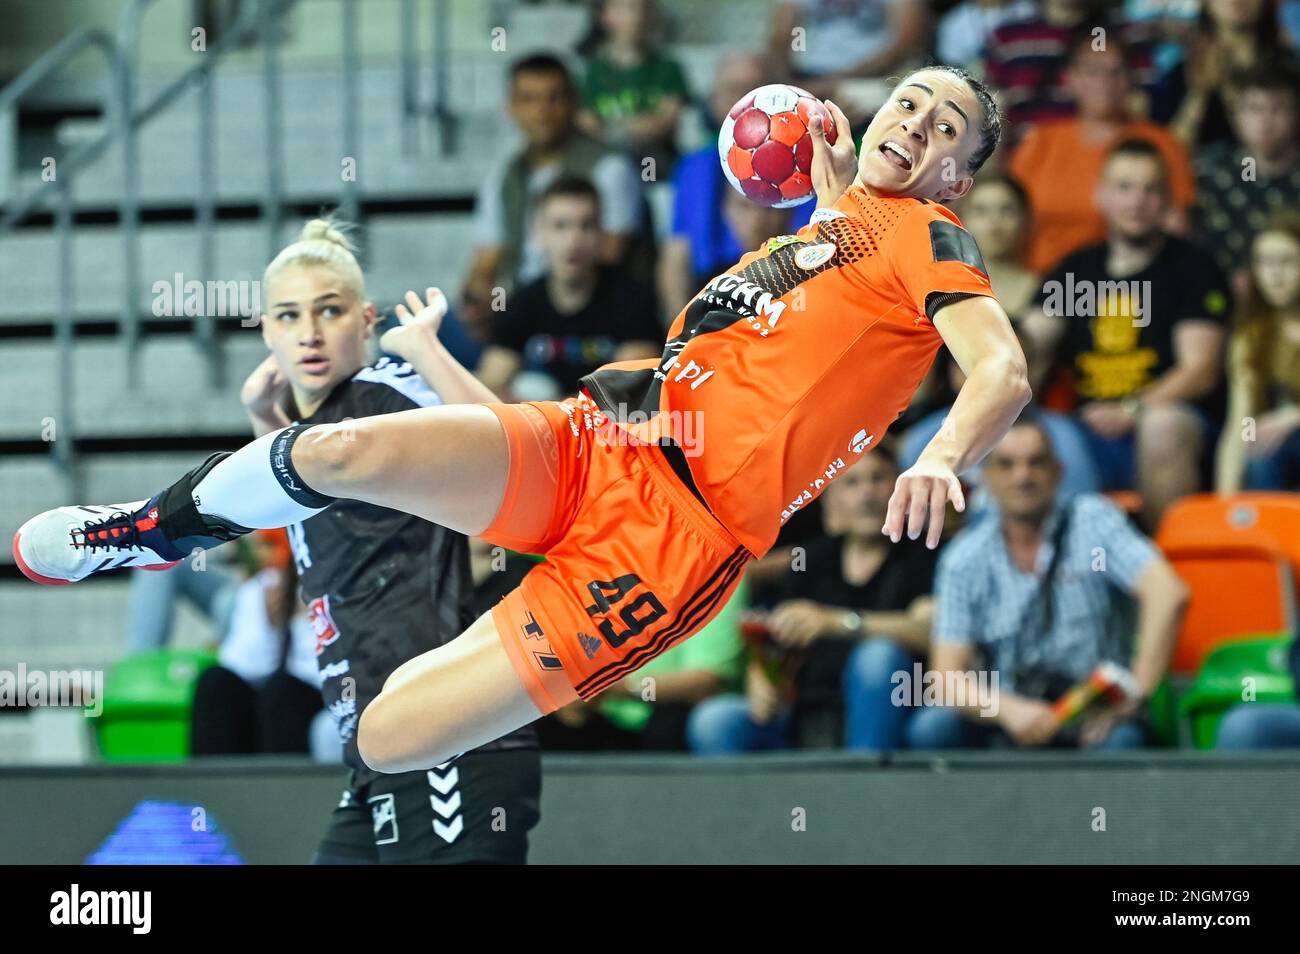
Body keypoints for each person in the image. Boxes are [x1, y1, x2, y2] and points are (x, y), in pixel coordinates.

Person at [15, 65, 1032, 777]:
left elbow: (1001, 369)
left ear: (960, 176)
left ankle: (445, 636)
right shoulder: (845, 220)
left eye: (946, 128)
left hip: (667, 548)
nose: (918, 123)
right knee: (338, 447)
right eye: (911, 101)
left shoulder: (932, 236)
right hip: (611, 435)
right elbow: (827, 282)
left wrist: (943, 454)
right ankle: (144, 533)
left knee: (384, 737)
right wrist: (826, 187)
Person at [210, 220, 544, 862]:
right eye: (288, 316)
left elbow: (517, 446)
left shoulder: (390, 391)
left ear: (365, 319)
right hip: (379, 742)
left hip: (449, 736)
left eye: (329, 311)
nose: (308, 332)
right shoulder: (305, 437)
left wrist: (428, 352)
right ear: (265, 329)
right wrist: (263, 418)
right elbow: (298, 511)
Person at [917, 416, 1189, 750]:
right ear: (985, 478)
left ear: (1058, 471)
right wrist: (1008, 711)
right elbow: (946, 679)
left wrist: (1136, 691)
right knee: (934, 728)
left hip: (1095, 709)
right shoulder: (965, 557)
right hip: (1012, 712)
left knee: (1124, 741)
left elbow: (1168, 593)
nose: (1023, 476)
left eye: (1036, 462)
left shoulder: (1093, 519)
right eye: (1006, 465)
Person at [1022, 138, 1231, 532]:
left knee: (1162, 424)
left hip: (1169, 423)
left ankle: (1170, 565)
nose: (1137, 200)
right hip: (1086, 431)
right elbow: (1029, 345)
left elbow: (1200, 370)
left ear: (1168, 199)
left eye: (1150, 189)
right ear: (1101, 196)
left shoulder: (1195, 268)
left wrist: (1132, 409)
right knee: (1028, 430)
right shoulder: (1075, 269)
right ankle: (1062, 571)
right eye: (1124, 187)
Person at [688, 451, 939, 753]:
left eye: (879, 478)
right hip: (806, 716)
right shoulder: (810, 558)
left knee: (878, 657)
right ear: (830, 500)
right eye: (852, 483)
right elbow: (777, 640)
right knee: (714, 721)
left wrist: (836, 623)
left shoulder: (925, 553)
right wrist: (763, 680)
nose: (868, 493)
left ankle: (868, 786)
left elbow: (930, 632)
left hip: (893, 715)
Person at [460, 54, 649, 340]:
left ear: (574, 101)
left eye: (554, 98)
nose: (542, 111)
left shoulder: (610, 168)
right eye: (529, 99)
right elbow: (486, 260)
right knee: (423, 340)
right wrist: (476, 301)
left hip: (587, 317)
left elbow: (606, 256)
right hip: (519, 310)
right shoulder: (505, 174)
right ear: (511, 107)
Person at [1008, 31, 1196, 276]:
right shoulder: (1039, 141)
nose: (1104, 81)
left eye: (1116, 71)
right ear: (1069, 78)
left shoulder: (1162, 144)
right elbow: (1006, 215)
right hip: (1037, 281)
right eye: (1093, 70)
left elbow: (1175, 228)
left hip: (1129, 285)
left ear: (1131, 78)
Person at [477, 176, 663, 401]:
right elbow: (490, 386)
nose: (573, 240)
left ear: (601, 234)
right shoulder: (522, 301)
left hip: (611, 431)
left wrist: (542, 410)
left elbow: (630, 391)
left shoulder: (634, 299)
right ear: (538, 234)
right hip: (544, 426)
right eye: (560, 226)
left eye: (586, 225)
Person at [1193, 59, 1300, 283]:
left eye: (1278, 108)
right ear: (1236, 117)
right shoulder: (1213, 176)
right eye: (1254, 109)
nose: (1265, 122)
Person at [1216, 212, 1300, 492]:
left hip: (1288, 434)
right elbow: (1239, 425)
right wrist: (1223, 508)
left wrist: (1291, 417)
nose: (1274, 275)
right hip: (1278, 449)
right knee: (1258, 448)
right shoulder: (1250, 336)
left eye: (1287, 262)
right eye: (1265, 262)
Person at [577, 0, 690, 175]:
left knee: (649, 171)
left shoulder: (668, 68)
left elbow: (665, 124)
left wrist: (611, 128)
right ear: (606, 16)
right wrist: (637, 126)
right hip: (608, 162)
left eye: (644, 9)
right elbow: (586, 124)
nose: (637, 17)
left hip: (654, 160)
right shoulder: (591, 73)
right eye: (628, 9)